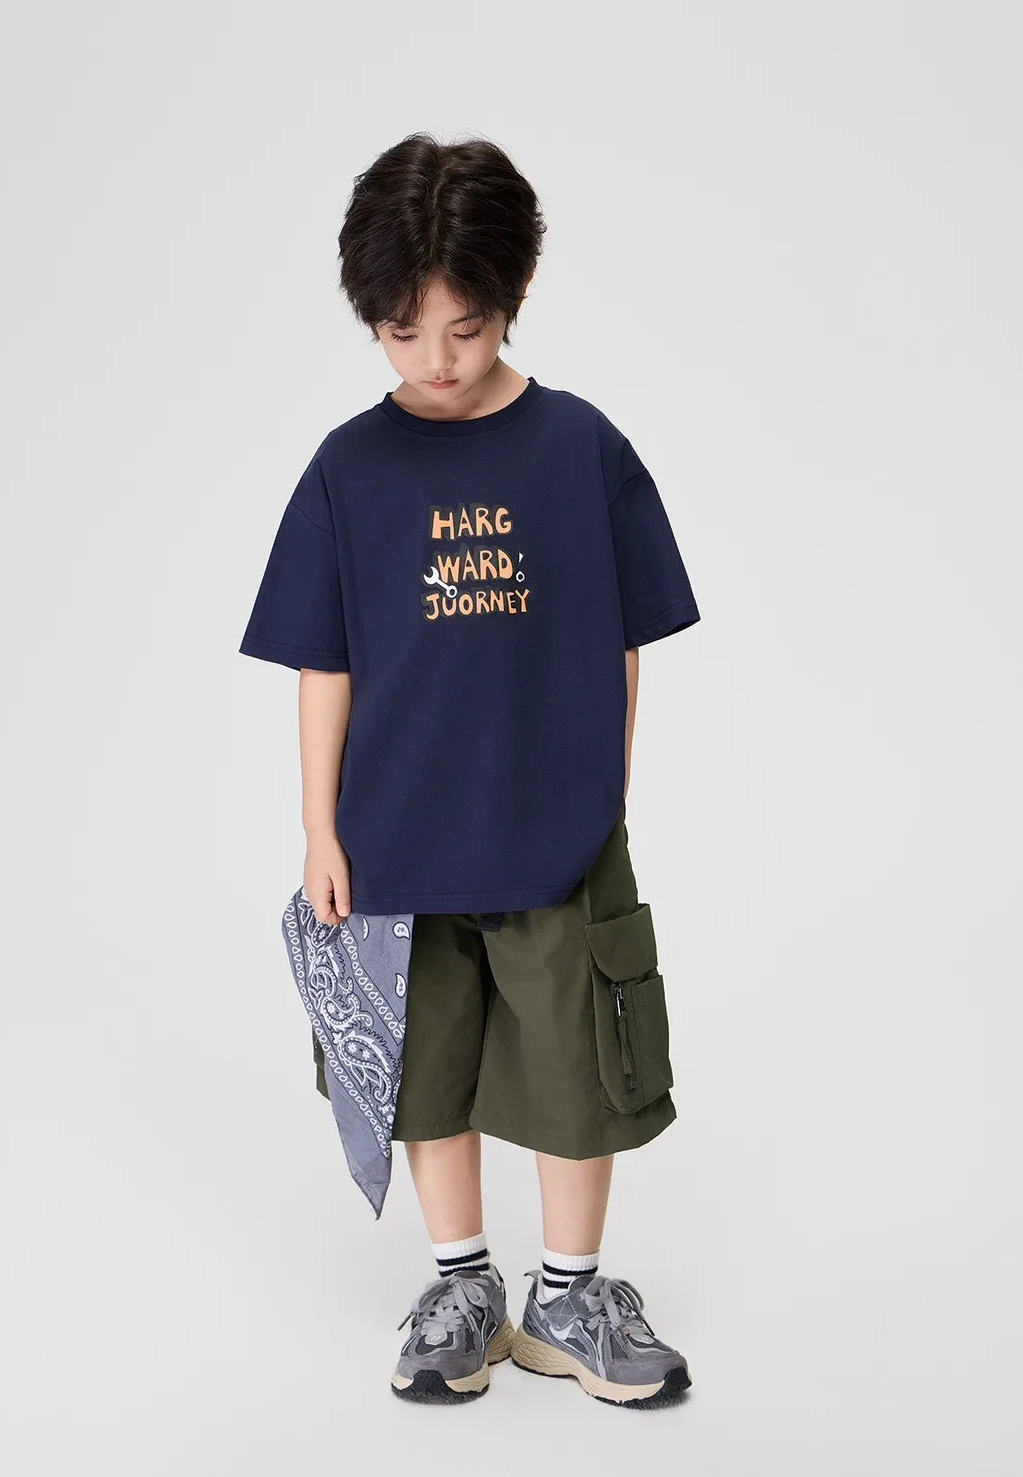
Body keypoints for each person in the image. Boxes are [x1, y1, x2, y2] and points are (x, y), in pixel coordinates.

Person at [238, 133, 701, 1408]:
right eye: (402, 333)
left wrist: (603, 793)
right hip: (395, 834)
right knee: (423, 1065)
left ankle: (570, 1295)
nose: (435, 361)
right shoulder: (348, 469)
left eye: (466, 328)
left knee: (578, 1058)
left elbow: (623, 637)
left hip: (555, 828)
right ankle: (462, 1282)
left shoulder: (580, 448)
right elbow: (323, 661)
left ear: (515, 293)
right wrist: (320, 829)